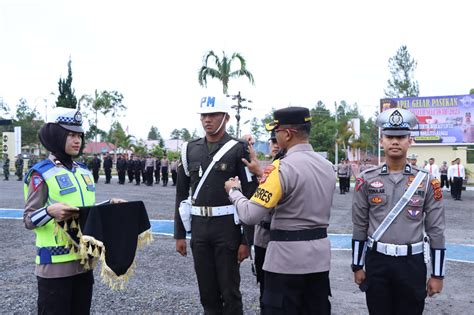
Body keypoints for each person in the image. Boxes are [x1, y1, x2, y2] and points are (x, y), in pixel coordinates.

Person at [225, 106, 335, 314]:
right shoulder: (327, 166)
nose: (275, 137)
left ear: (287, 133)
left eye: (276, 132)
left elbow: (250, 214)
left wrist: (234, 192)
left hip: (286, 263)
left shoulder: (281, 168)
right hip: (319, 260)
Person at [23, 109, 125, 314]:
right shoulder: (41, 173)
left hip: (84, 263)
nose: (77, 140)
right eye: (71, 135)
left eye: (79, 135)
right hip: (54, 268)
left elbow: (87, 213)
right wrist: (50, 211)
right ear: (56, 136)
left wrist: (109, 204)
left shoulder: (84, 172)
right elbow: (28, 219)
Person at [352, 108, 446, 314]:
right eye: (390, 136)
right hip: (377, 262)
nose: (395, 141)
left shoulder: (428, 181)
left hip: (412, 264)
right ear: (381, 141)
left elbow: (436, 230)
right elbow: (360, 225)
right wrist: (357, 266)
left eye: (401, 137)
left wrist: (438, 274)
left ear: (409, 141)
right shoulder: (365, 179)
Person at [174, 92, 257, 314]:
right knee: (207, 292)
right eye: (203, 115)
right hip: (200, 230)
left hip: (227, 230)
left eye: (213, 115)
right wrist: (179, 235)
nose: (207, 120)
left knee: (230, 292)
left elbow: (249, 195)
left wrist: (245, 240)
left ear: (226, 117)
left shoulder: (238, 149)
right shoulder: (189, 149)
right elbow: (182, 193)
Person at [241, 129, 283, 312]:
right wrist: (243, 145)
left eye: (277, 140)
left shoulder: (284, 166)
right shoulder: (266, 164)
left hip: (280, 238)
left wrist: (258, 170)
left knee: (278, 291)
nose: (274, 144)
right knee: (264, 288)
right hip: (262, 237)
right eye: (271, 141)